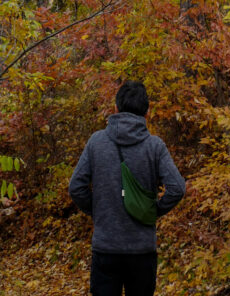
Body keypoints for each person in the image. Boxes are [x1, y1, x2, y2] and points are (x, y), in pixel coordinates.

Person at [69, 80, 186, 296]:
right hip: (142, 250)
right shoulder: (155, 146)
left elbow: (76, 187)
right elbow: (177, 188)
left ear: (115, 108)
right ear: (147, 112)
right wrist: (153, 210)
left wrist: (97, 211)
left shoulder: (96, 142)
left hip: (105, 248)